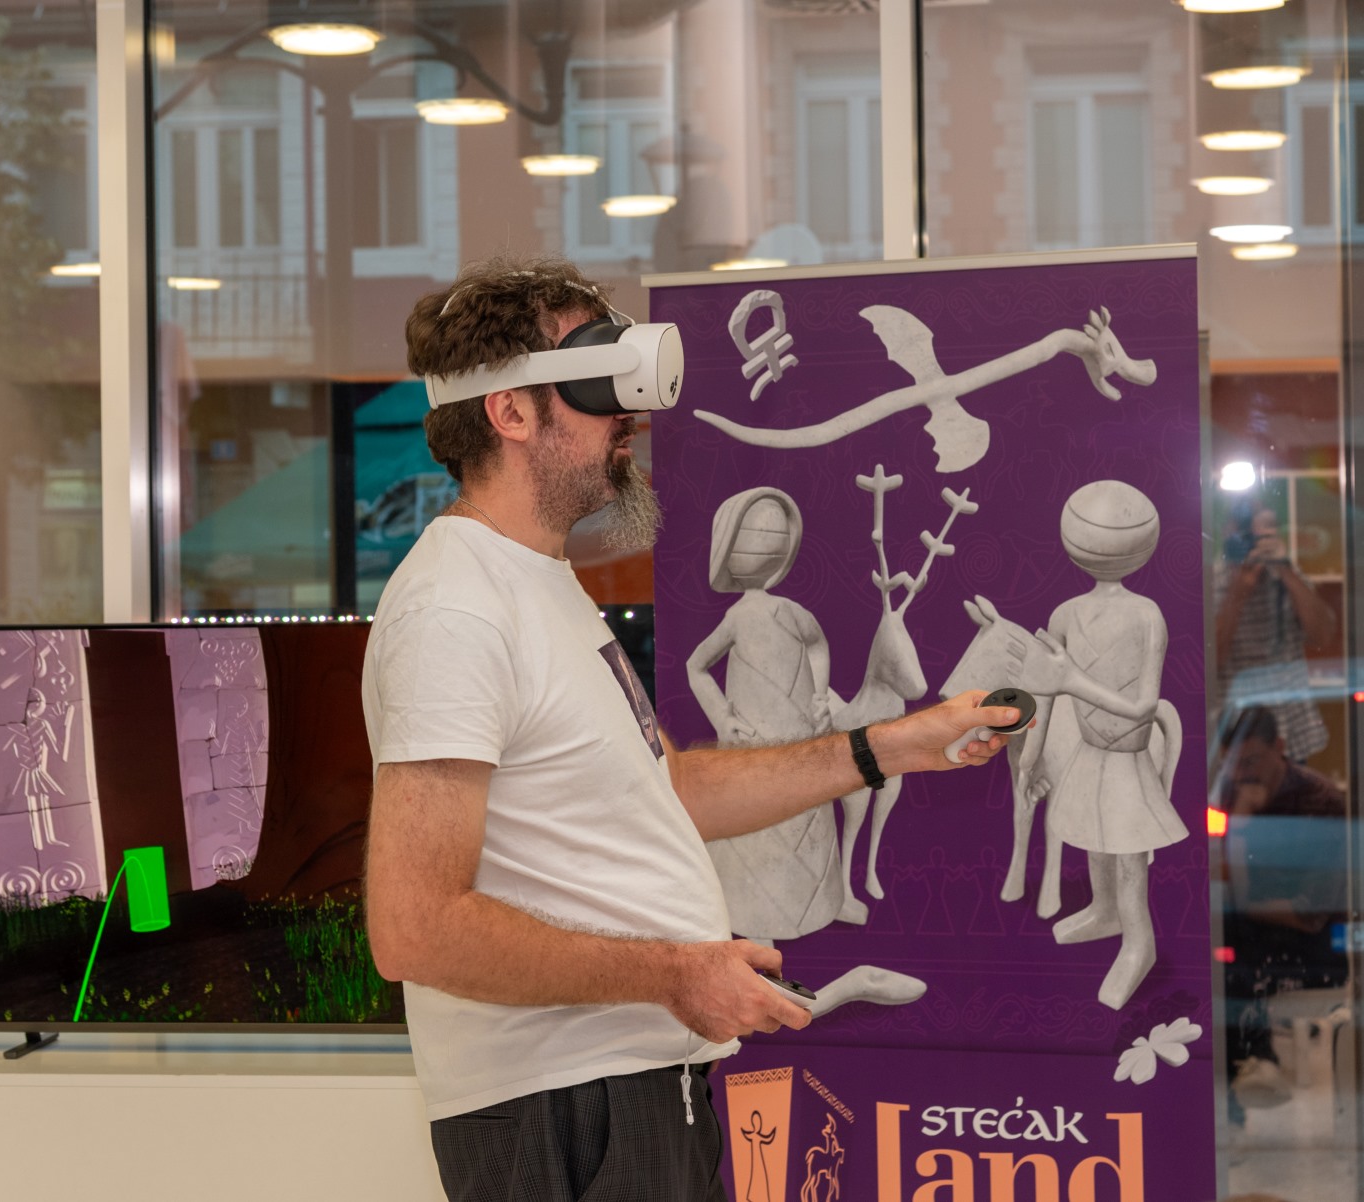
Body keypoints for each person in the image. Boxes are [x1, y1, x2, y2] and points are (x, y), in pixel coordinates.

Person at [361, 257, 1022, 1201]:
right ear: (509, 412)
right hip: (560, 1105)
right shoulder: (455, 611)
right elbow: (415, 927)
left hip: (634, 1084)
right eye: (597, 382)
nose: (629, 412)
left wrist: (892, 747)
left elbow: (670, 792)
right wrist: (675, 975)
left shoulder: (539, 586)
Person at [1214, 707, 1350, 1117]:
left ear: (1280, 747)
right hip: (1249, 934)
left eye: (1252, 761)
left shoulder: (1320, 802)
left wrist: (1243, 902)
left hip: (1314, 945)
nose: (1242, 773)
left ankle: (1253, 1067)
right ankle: (1248, 1073)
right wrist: (1240, 823)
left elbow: (1308, 915)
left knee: (1228, 945)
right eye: (1233, 764)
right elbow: (1220, 882)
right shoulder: (1228, 796)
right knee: (1214, 948)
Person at [1214, 500, 1336, 762]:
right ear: (1226, 533)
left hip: (1289, 730)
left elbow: (1323, 636)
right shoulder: (1212, 581)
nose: (1252, 542)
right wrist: (1238, 591)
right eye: (1244, 533)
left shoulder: (1285, 575)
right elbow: (1209, 663)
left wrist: (1285, 569)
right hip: (1235, 735)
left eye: (1263, 531)